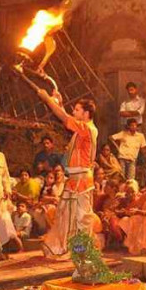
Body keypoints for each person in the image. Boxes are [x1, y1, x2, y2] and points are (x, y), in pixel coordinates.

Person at [34, 89, 99, 259]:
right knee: (66, 214)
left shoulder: (88, 129)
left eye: (77, 110)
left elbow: (64, 118)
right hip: (75, 179)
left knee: (81, 217)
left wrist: (47, 99)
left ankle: (81, 251)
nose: (73, 112)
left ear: (86, 113)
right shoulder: (81, 129)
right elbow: (67, 118)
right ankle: (66, 247)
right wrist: (58, 103)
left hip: (82, 180)